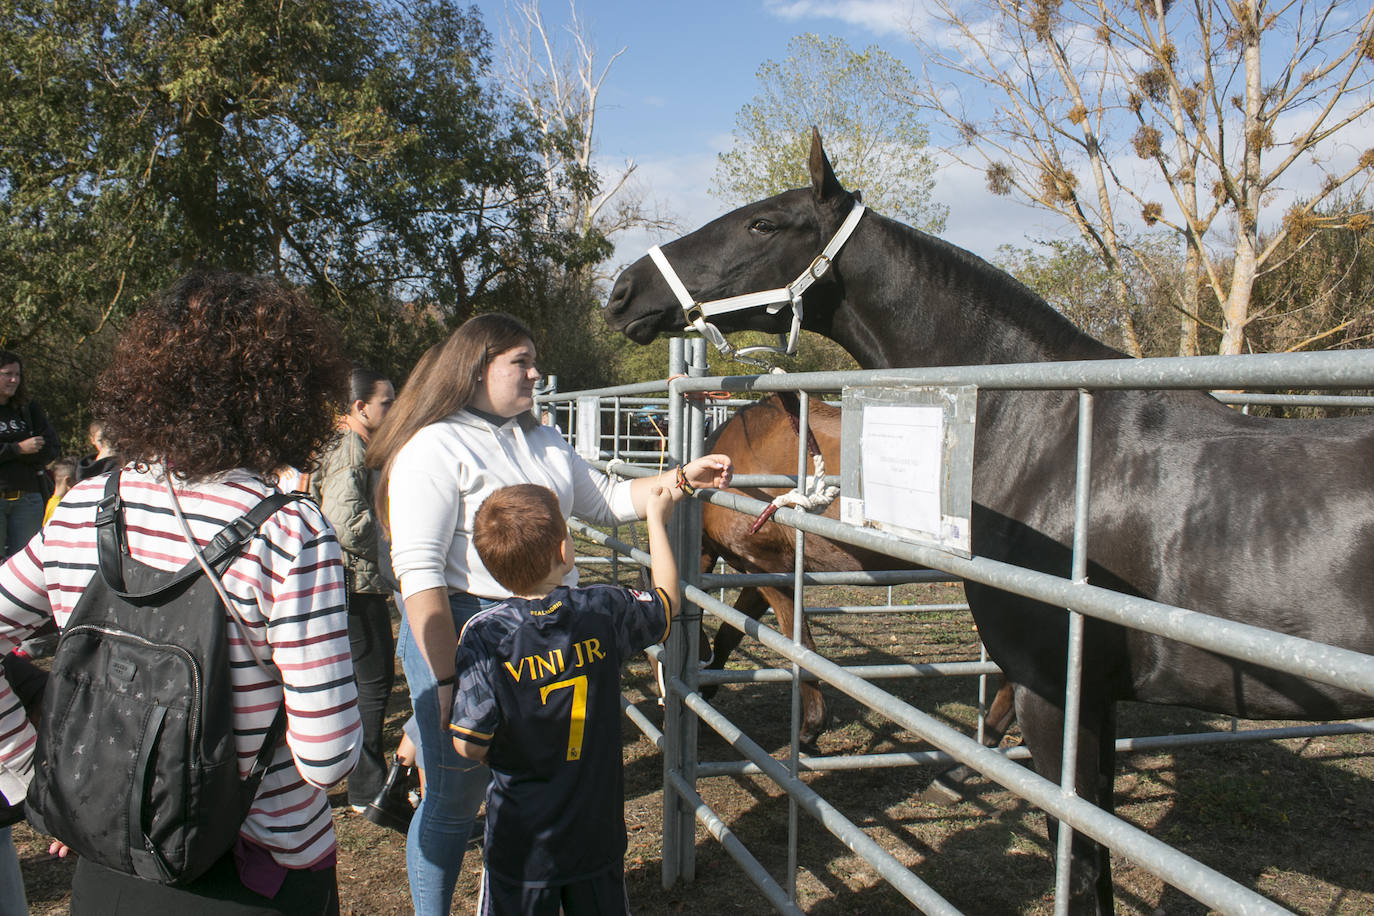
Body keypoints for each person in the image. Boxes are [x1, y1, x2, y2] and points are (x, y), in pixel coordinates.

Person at [0, 269, 363, 914]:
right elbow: (328, 757)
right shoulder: (288, 529)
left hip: (110, 857)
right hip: (256, 868)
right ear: (290, 393)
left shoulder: (85, 504)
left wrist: (31, 767)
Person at [366, 312, 732, 915]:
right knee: (456, 799)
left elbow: (610, 500)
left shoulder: (539, 437)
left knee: (541, 780)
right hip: (465, 632)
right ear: (476, 367)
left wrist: (678, 479)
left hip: (546, 632)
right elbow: (420, 577)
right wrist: (445, 683)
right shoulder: (432, 446)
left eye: (534, 360)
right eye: (521, 362)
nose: (536, 373)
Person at [451, 483, 676, 915]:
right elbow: (666, 603)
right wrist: (655, 519)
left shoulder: (486, 635)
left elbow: (468, 742)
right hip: (596, 832)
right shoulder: (601, 609)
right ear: (563, 550)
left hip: (522, 841)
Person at [308, 367, 398, 818]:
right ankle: (366, 783)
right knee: (374, 681)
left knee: (366, 680)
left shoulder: (355, 446)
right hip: (353, 583)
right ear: (360, 408)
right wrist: (391, 532)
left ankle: (360, 777)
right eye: (387, 402)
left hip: (351, 581)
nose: (393, 409)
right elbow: (344, 522)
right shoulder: (350, 449)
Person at [0, 350, 59, 559]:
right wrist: (18, 449)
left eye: (17, 374)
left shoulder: (27, 409)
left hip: (28, 500)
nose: (14, 380)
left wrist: (19, 452)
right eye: (7, 374)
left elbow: (51, 447)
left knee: (26, 564)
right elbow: (28, 447)